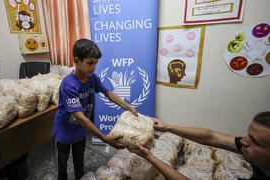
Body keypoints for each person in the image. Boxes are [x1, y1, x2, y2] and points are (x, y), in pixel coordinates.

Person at [53, 39, 138, 180]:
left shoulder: (92, 78)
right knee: (62, 165)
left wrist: (128, 107)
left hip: (80, 130)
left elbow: (108, 93)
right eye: (90, 63)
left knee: (79, 162)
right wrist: (104, 138)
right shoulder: (69, 85)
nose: (94, 67)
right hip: (64, 131)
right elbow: (80, 116)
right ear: (77, 61)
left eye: (96, 63)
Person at [128, 111, 270, 179]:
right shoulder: (249, 147)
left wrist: (148, 156)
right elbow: (212, 137)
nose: (244, 141)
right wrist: (167, 127)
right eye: (248, 134)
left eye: (255, 141)